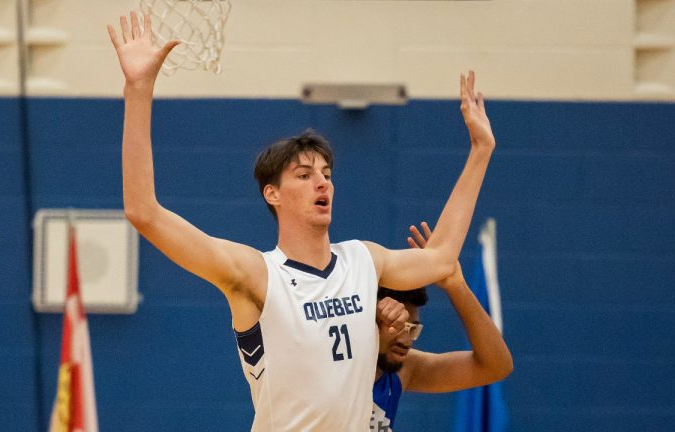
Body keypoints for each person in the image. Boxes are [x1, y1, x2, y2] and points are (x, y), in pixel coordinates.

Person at [107, 11, 496, 431]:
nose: (321, 183)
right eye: (305, 175)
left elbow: (441, 258)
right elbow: (143, 212)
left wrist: (480, 150)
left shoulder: (363, 260)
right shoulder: (256, 273)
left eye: (327, 174)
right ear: (272, 194)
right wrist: (138, 89)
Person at [372, 222, 513, 431]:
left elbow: (496, 366)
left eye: (412, 329)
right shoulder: (329, 359)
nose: (405, 340)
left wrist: (456, 285)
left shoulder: (403, 370)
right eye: (397, 325)